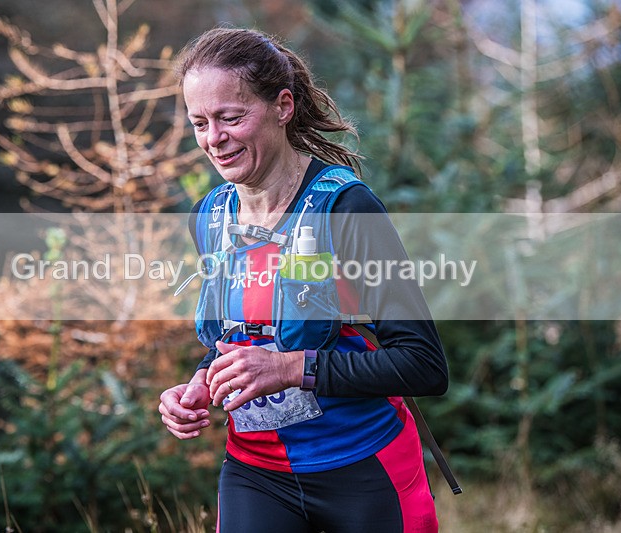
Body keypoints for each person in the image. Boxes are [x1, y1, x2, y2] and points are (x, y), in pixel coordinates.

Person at [158, 27, 448, 533]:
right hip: (254, 475)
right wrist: (201, 385)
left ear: (283, 106)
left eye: (231, 117)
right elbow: (239, 338)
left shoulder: (346, 209)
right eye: (199, 123)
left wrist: (292, 368)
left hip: (362, 471)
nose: (213, 139)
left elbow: (424, 365)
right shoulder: (209, 217)